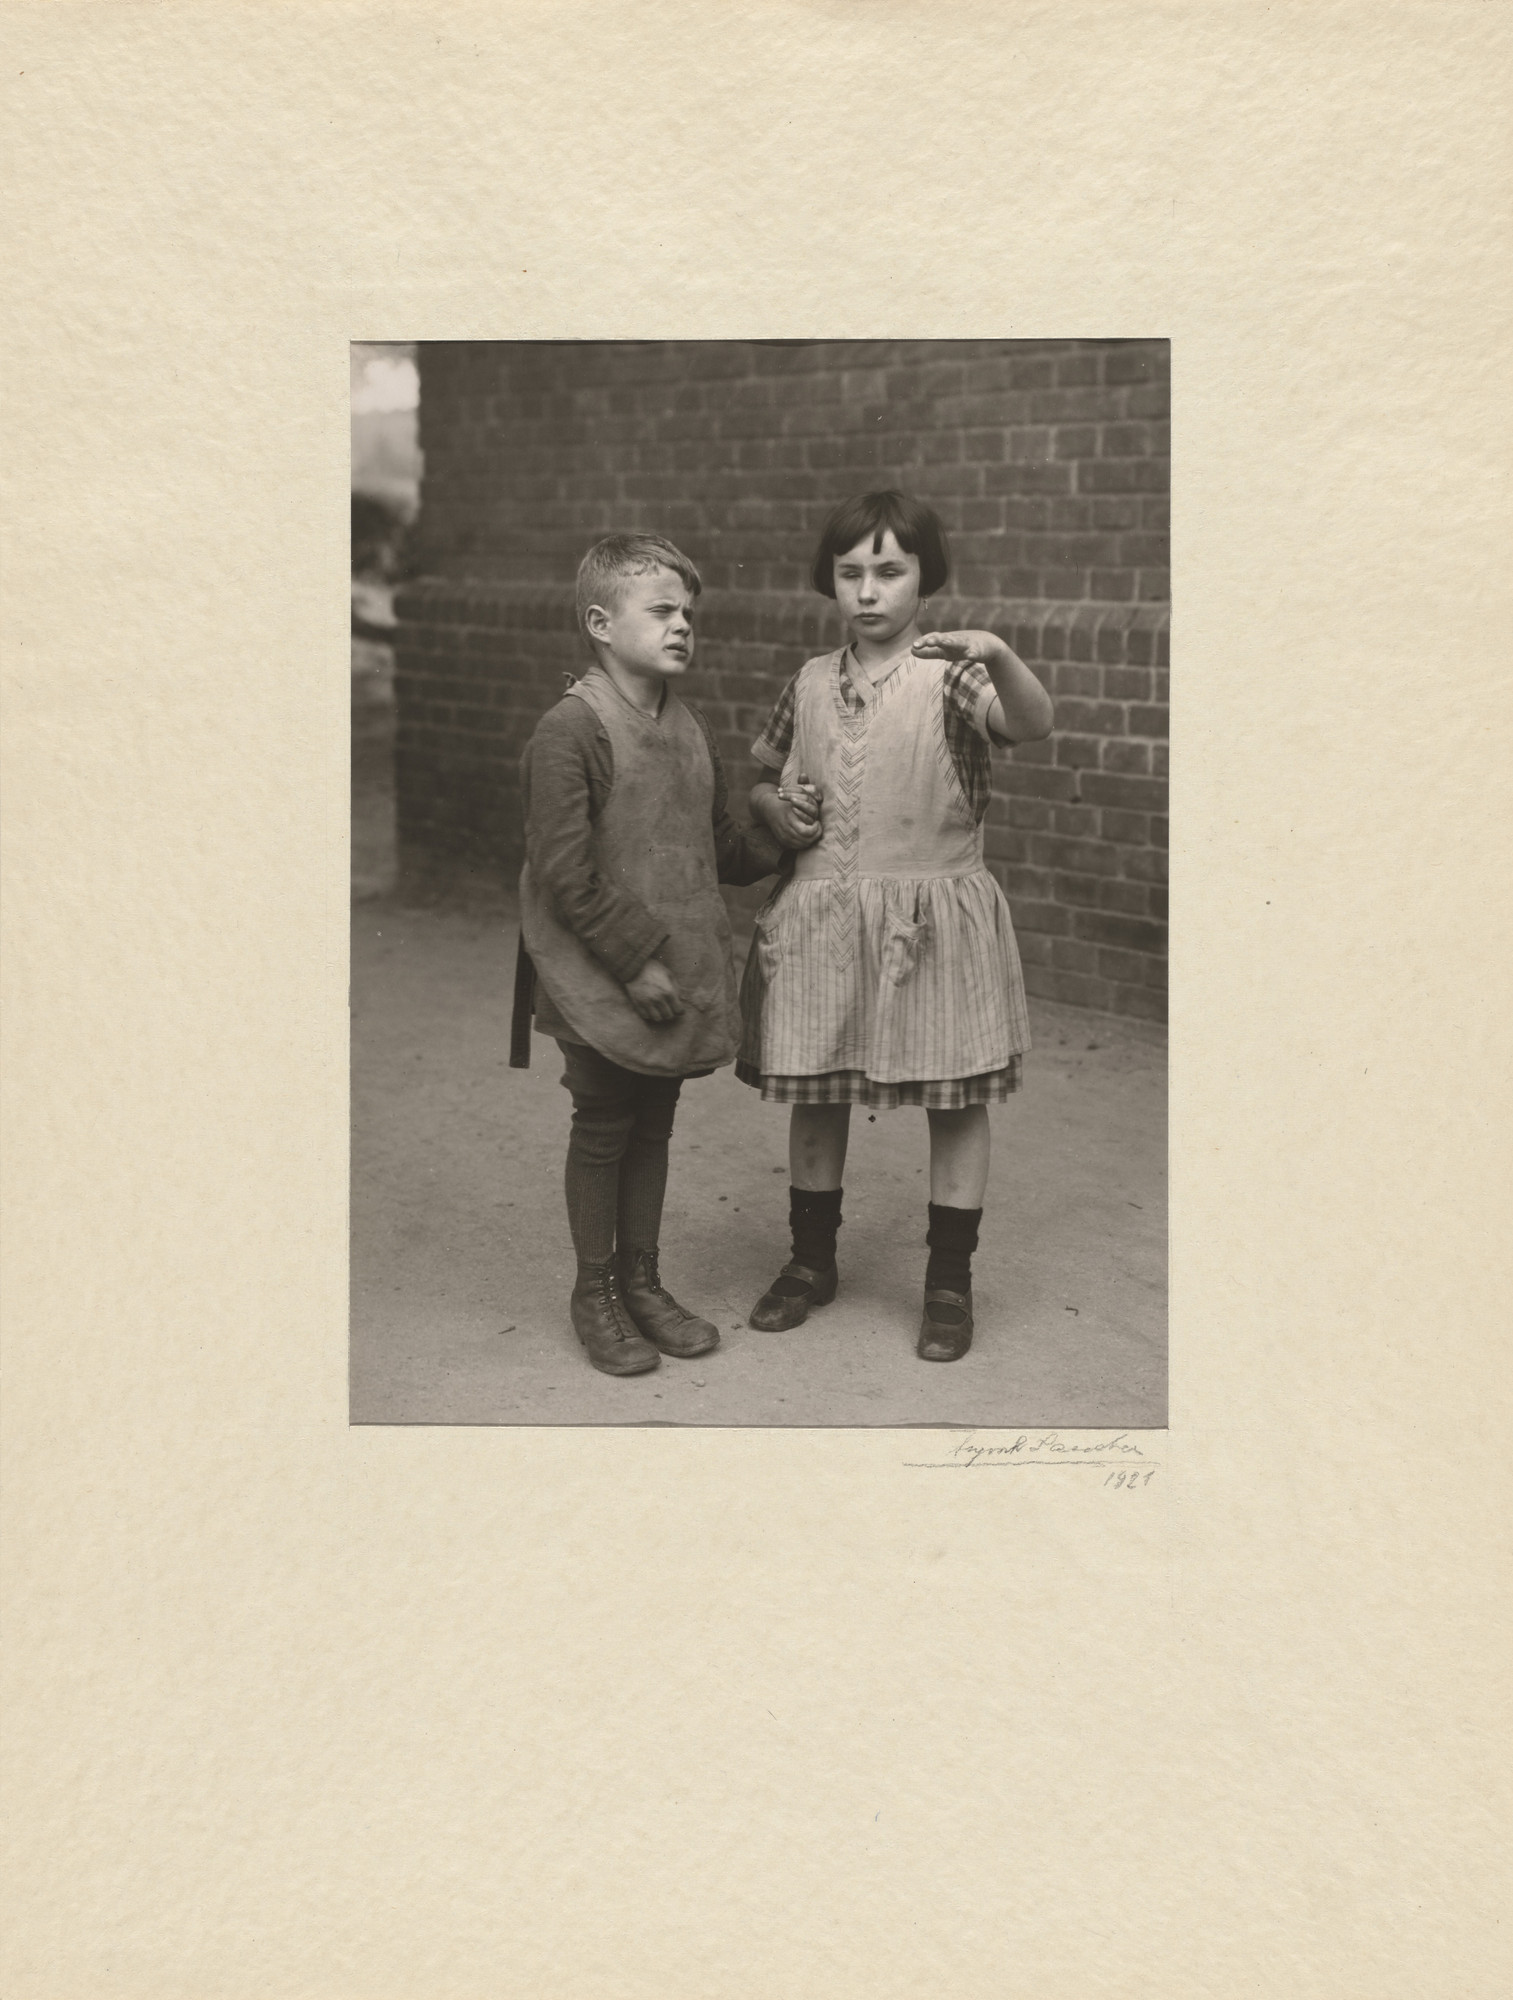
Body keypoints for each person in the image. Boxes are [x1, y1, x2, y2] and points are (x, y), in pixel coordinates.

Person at [737, 489, 1055, 1361]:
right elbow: (763, 777)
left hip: (930, 918)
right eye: (850, 573)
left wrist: (999, 653)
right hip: (822, 919)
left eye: (889, 570)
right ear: (829, 581)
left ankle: (947, 1284)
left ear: (924, 576)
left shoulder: (954, 672)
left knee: (953, 1101)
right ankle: (809, 1263)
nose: (868, 591)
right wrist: (777, 804)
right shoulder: (805, 680)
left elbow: (1030, 725)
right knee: (815, 1090)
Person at [511, 534, 794, 1377]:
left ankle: (642, 1281)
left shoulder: (687, 727)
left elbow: (716, 853)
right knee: (603, 1123)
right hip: (598, 974)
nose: (682, 628)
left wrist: (782, 835)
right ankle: (594, 1290)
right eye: (662, 611)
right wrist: (634, 962)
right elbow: (564, 871)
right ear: (600, 622)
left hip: (672, 975)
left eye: (688, 615)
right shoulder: (572, 729)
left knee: (655, 1119)